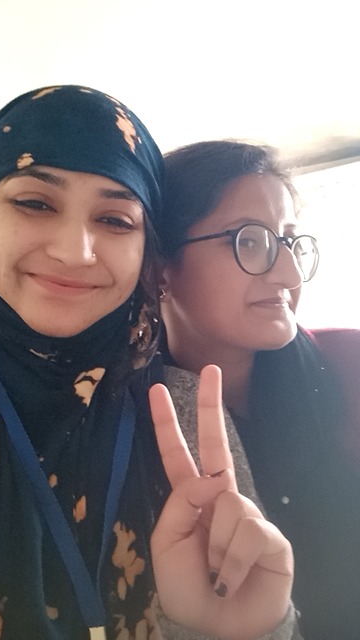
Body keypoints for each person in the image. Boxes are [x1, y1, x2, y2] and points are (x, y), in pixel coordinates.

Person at [0, 88, 296, 640]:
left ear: (147, 254)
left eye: (116, 220)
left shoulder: (185, 416)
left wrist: (231, 629)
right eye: (35, 203)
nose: (75, 251)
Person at [158, 139, 360, 640]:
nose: (288, 274)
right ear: (160, 267)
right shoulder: (132, 428)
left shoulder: (350, 363)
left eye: (289, 241)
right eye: (249, 241)